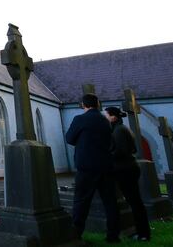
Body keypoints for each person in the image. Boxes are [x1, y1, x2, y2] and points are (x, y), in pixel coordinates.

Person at [65, 93, 120, 243]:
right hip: (106, 166)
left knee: (81, 201)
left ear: (83, 105)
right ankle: (113, 235)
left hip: (87, 167)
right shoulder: (105, 121)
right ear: (97, 104)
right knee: (110, 202)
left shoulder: (80, 119)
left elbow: (69, 138)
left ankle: (76, 234)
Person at [105, 107, 151, 242]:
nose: (105, 117)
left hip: (125, 170)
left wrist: (106, 157)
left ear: (113, 117)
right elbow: (133, 148)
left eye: (106, 115)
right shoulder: (122, 129)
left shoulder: (118, 131)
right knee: (135, 202)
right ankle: (142, 232)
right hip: (129, 168)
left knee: (135, 203)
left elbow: (120, 151)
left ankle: (143, 234)